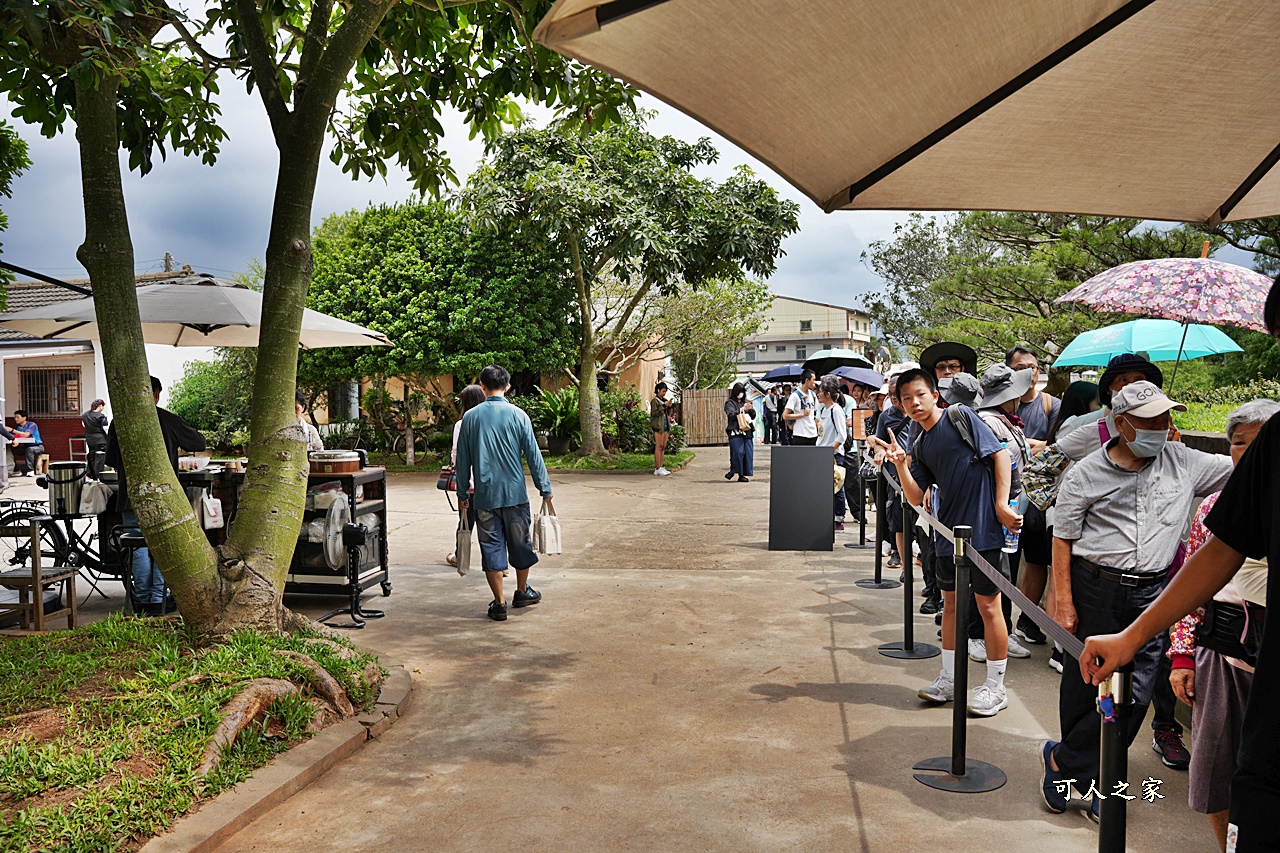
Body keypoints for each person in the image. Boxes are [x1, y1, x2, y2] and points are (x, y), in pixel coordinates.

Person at [1043, 381, 1232, 820]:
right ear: (1121, 424)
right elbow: (1063, 538)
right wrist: (1064, 601)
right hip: (1096, 587)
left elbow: (1246, 466)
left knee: (1137, 695)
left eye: (1166, 418)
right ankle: (1091, 777)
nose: (1162, 428)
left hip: (1154, 593)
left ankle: (1063, 762)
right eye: (1149, 421)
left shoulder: (1185, 461)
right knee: (1084, 685)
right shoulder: (1086, 473)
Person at [873, 368, 1021, 717]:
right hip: (946, 535)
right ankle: (950, 678)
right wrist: (901, 465)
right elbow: (914, 496)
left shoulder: (960, 416)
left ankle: (996, 687)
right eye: (906, 398)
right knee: (951, 607)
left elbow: (999, 455)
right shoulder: (919, 441)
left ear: (935, 394)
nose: (914, 403)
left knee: (988, 607)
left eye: (920, 395)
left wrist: (1000, 505)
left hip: (982, 531)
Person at [1165, 399, 1277, 851]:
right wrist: (1183, 654)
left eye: (1260, 445)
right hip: (1223, 651)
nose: (1247, 455)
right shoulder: (1213, 506)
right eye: (1238, 444)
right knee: (1214, 770)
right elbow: (1194, 583)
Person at [456, 365, 553, 622]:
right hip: (515, 495)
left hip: (485, 497)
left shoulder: (470, 418)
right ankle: (522, 592)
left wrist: (463, 493)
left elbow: (463, 460)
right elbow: (534, 455)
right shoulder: (519, 415)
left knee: (491, 548)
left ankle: (499, 603)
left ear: (482, 385)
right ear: (507, 386)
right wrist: (545, 488)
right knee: (520, 544)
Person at [104, 376, 208, 617]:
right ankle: (160, 598)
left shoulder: (119, 421)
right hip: (164, 498)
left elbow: (110, 460)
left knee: (138, 546)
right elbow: (199, 442)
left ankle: (143, 600)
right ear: (157, 394)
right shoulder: (167, 419)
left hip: (131, 497)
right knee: (163, 547)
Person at [967, 364, 1035, 663]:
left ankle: (1001, 632)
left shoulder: (1007, 421)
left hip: (1011, 509)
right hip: (996, 511)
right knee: (988, 577)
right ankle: (976, 635)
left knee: (1003, 575)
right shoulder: (989, 423)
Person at [1004, 346, 1061, 651]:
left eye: (1035, 367)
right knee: (1007, 564)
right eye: (1022, 367)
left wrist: (1028, 446)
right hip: (1009, 497)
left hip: (1040, 501)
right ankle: (1002, 624)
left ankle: (1027, 619)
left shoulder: (1053, 405)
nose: (1030, 372)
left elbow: (1056, 449)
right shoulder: (1002, 404)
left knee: (1037, 562)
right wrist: (1031, 446)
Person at [446, 384, 488, 568]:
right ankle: (498, 565)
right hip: (489, 483)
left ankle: (460, 557)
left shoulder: (461, 424)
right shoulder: (490, 421)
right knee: (491, 527)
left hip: (468, 482)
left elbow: (457, 454)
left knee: (465, 522)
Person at [817, 378, 849, 530]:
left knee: (837, 486)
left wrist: (831, 451)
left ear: (828, 394)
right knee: (826, 487)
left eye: (820, 392)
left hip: (833, 455)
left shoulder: (836, 410)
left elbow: (842, 436)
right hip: (823, 453)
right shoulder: (824, 410)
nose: (818, 394)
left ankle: (839, 518)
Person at [724, 382, 755, 483]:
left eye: (743, 392)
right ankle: (734, 471)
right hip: (735, 431)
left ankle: (741, 474)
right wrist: (742, 409)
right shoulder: (730, 403)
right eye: (740, 392)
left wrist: (751, 409)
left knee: (747, 453)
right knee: (738, 453)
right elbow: (731, 415)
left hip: (747, 430)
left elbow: (753, 416)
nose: (741, 394)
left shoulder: (746, 402)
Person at [783, 370, 818, 445]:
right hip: (800, 434)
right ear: (807, 380)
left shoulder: (813, 395)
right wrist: (802, 414)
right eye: (813, 379)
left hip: (813, 433)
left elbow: (815, 412)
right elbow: (785, 416)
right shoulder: (795, 396)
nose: (815, 382)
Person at [650, 381, 676, 476]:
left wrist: (668, 406)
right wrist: (664, 405)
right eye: (663, 391)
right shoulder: (655, 401)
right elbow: (654, 413)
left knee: (663, 447)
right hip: (658, 425)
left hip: (665, 424)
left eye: (665, 391)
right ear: (658, 390)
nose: (664, 393)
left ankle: (661, 466)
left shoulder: (664, 399)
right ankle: (657, 468)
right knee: (659, 446)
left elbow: (667, 413)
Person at [82, 399, 109, 480]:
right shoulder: (101, 416)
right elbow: (105, 428)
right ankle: (98, 475)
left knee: (92, 456)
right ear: (100, 406)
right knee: (100, 457)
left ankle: (89, 474)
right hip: (100, 440)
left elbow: (84, 425)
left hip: (90, 439)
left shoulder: (85, 415)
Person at [12, 410, 43, 476]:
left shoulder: (32, 425)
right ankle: (16, 470)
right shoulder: (18, 427)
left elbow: (26, 435)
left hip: (38, 447)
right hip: (25, 447)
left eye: (18, 417)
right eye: (15, 417)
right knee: (11, 450)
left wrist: (13, 430)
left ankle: (30, 470)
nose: (16, 419)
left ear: (24, 418)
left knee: (29, 449)